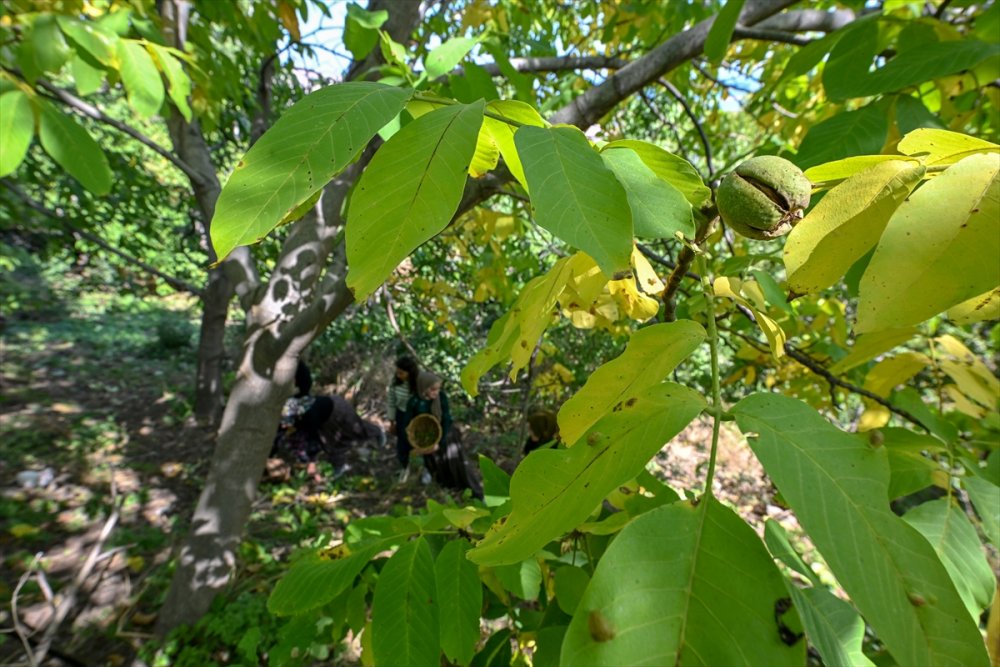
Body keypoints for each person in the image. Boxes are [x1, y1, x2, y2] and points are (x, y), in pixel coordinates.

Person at [273, 361, 385, 482]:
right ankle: (339, 467)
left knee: (357, 430)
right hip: (323, 420)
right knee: (332, 443)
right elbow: (280, 433)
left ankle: (377, 431)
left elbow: (311, 436)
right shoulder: (288, 411)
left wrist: (311, 461)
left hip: (337, 409)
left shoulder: (300, 410)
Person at [398, 370, 482, 498]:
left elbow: (447, 419)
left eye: (437, 389)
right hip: (426, 437)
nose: (435, 392)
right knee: (436, 466)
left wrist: (439, 442)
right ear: (423, 387)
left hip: (446, 436)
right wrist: (414, 446)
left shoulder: (441, 397)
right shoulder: (414, 401)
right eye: (432, 389)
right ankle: (448, 487)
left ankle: (476, 493)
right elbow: (407, 424)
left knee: (457, 465)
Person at [387, 356, 420, 477]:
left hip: (417, 416)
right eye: (397, 372)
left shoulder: (418, 383)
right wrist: (391, 422)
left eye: (401, 373)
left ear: (410, 372)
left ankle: (423, 469)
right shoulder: (395, 382)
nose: (398, 375)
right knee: (402, 443)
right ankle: (404, 468)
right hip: (401, 415)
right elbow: (391, 401)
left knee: (418, 442)